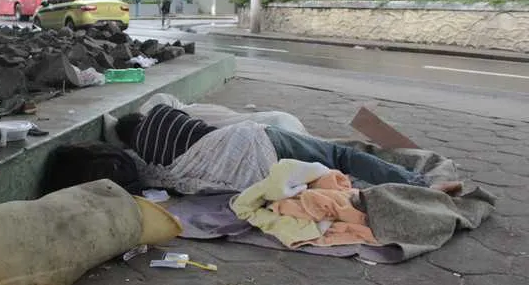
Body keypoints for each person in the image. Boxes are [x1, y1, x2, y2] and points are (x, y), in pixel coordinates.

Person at [115, 104, 459, 191]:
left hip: (249, 174)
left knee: (323, 177)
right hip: (254, 140)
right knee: (342, 155)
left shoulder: (149, 164)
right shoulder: (160, 113)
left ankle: (364, 187)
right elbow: (197, 125)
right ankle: (421, 186)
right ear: (141, 117)